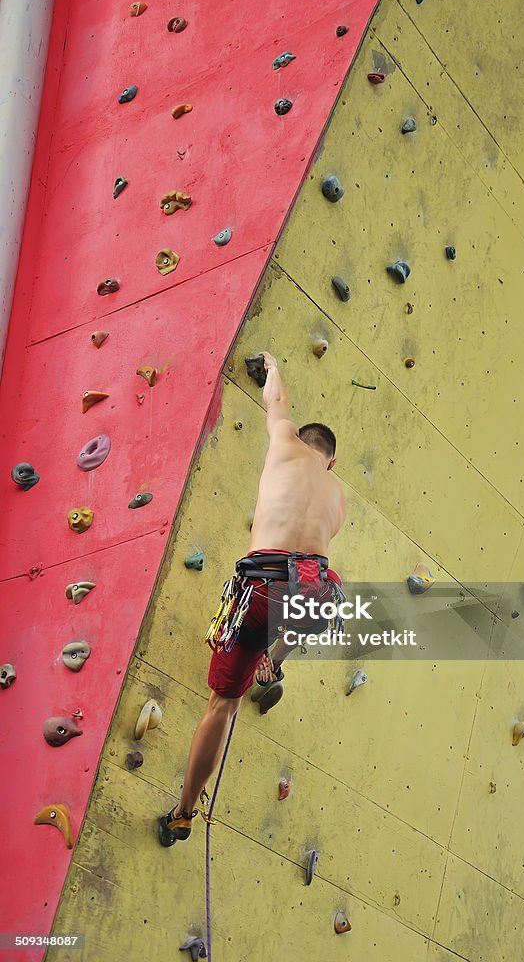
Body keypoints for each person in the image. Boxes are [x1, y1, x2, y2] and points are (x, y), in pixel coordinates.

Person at [158, 350, 347, 847]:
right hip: (310, 595)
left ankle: (182, 813)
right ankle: (275, 659)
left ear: (302, 442)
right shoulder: (338, 496)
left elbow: (277, 399)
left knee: (222, 704)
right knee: (314, 589)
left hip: (259, 590)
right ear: (333, 461)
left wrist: (273, 366)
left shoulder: (284, 442)